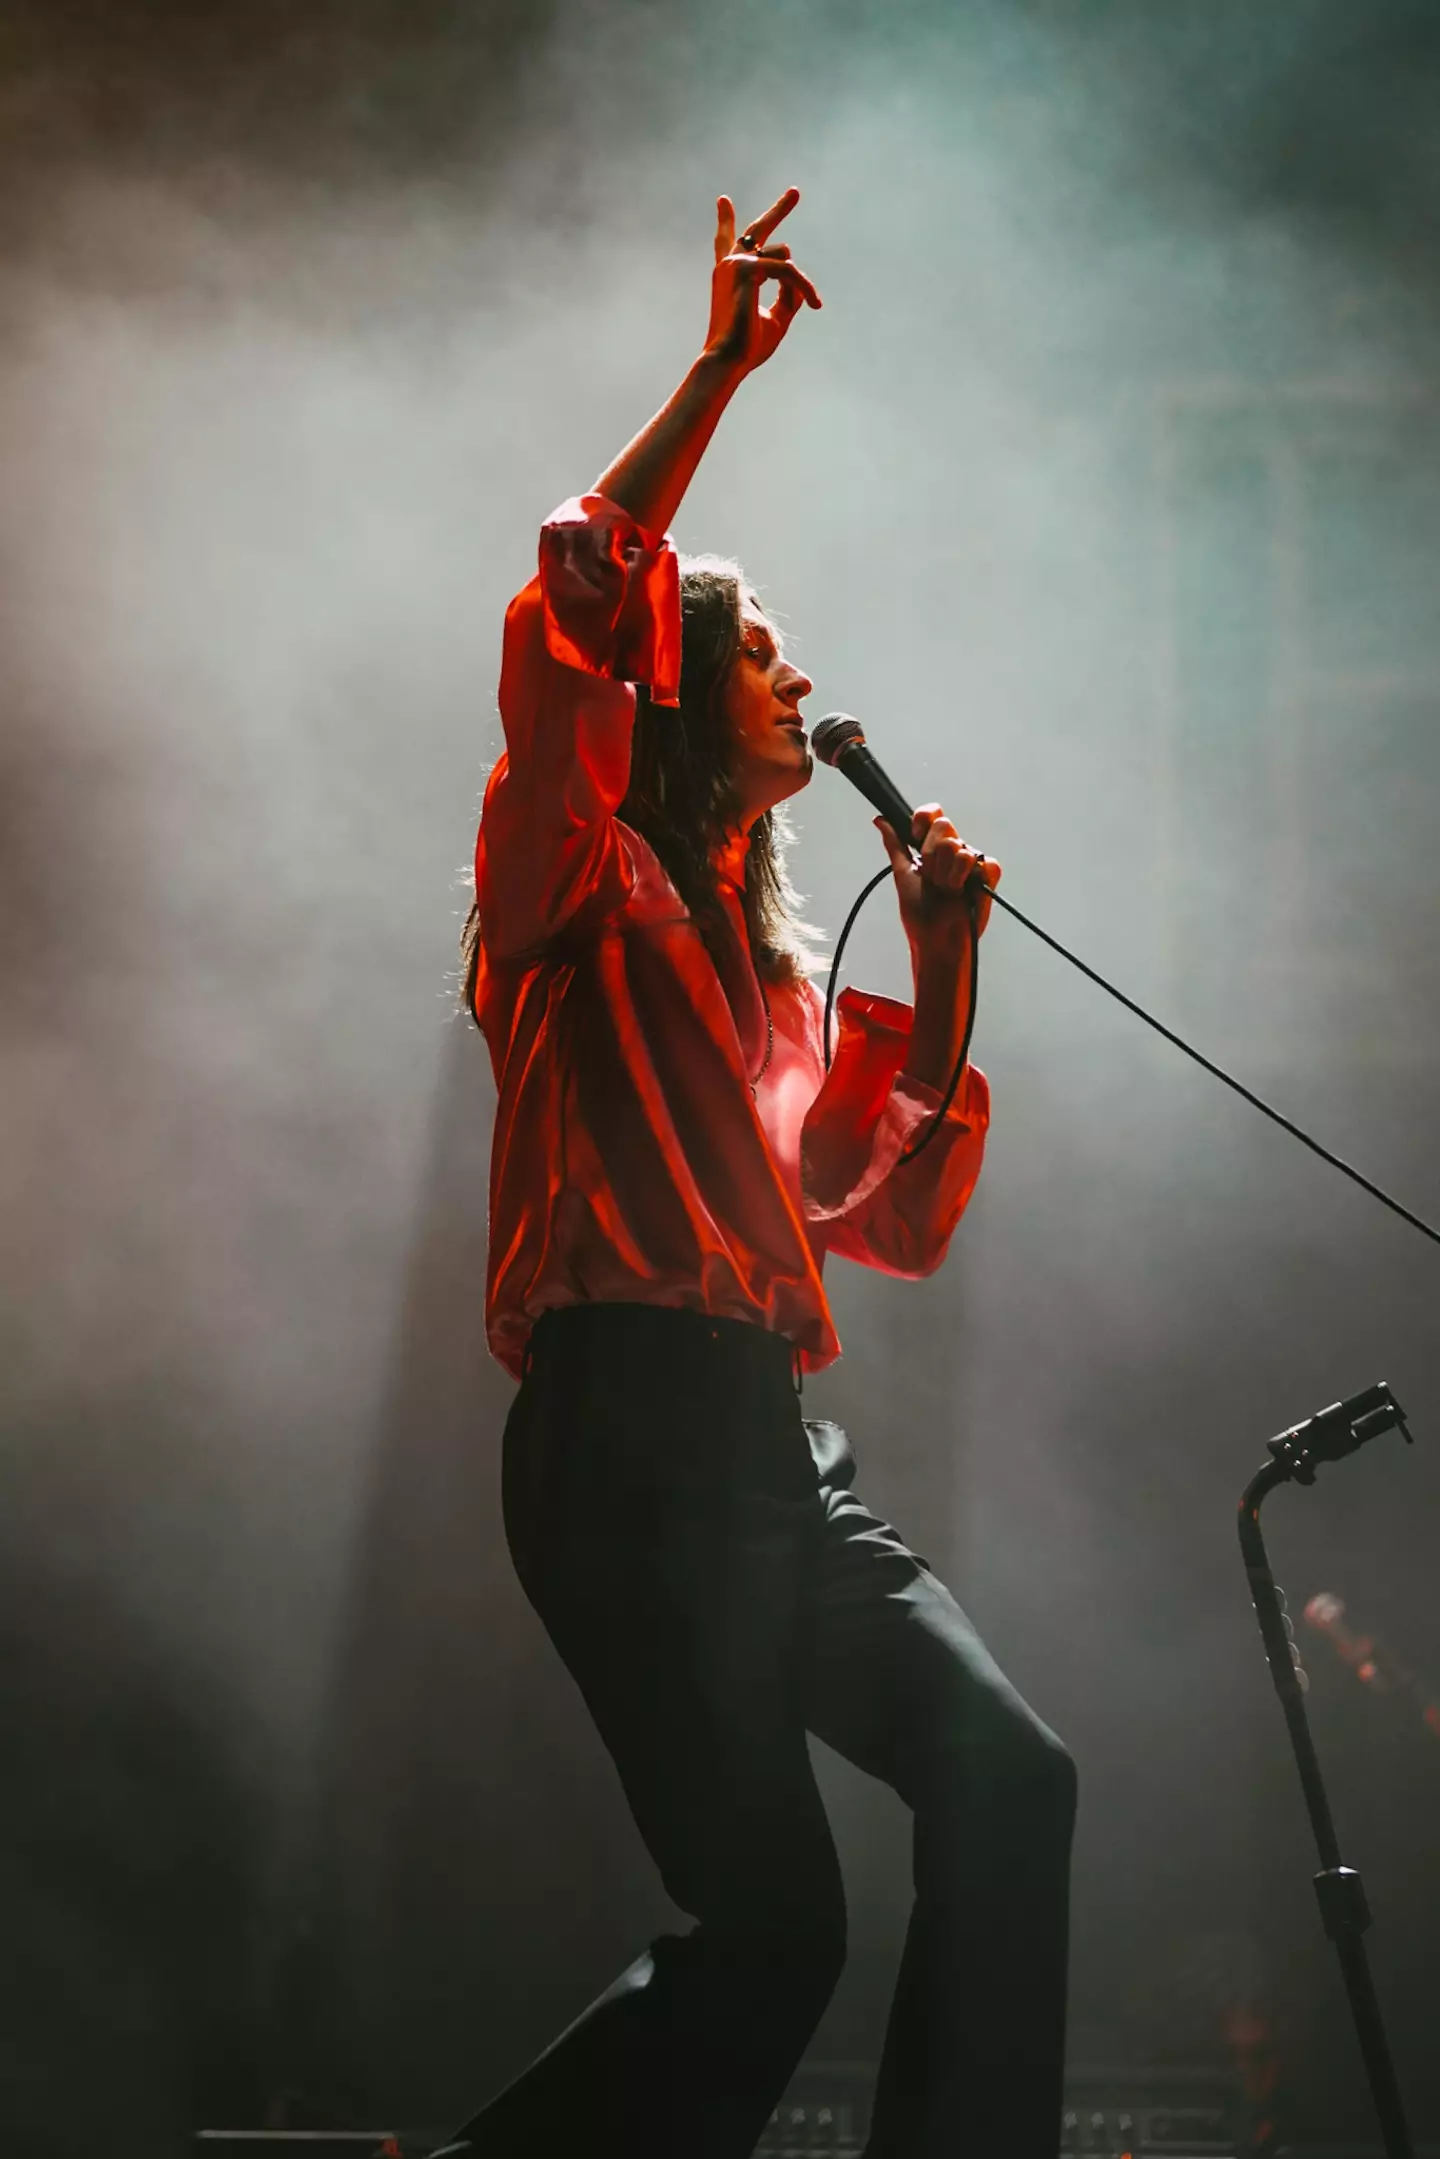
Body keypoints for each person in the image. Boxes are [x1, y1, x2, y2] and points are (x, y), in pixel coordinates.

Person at [440, 188, 1076, 2159]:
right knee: (782, 1928)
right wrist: (716, 369)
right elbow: (569, 601)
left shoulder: (769, 980)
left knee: (1007, 1778)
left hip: (766, 1448)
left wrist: (947, 961)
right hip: (625, 1439)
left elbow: (872, 1207)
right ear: (677, 692)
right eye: (765, 656)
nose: (800, 684)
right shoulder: (572, 884)